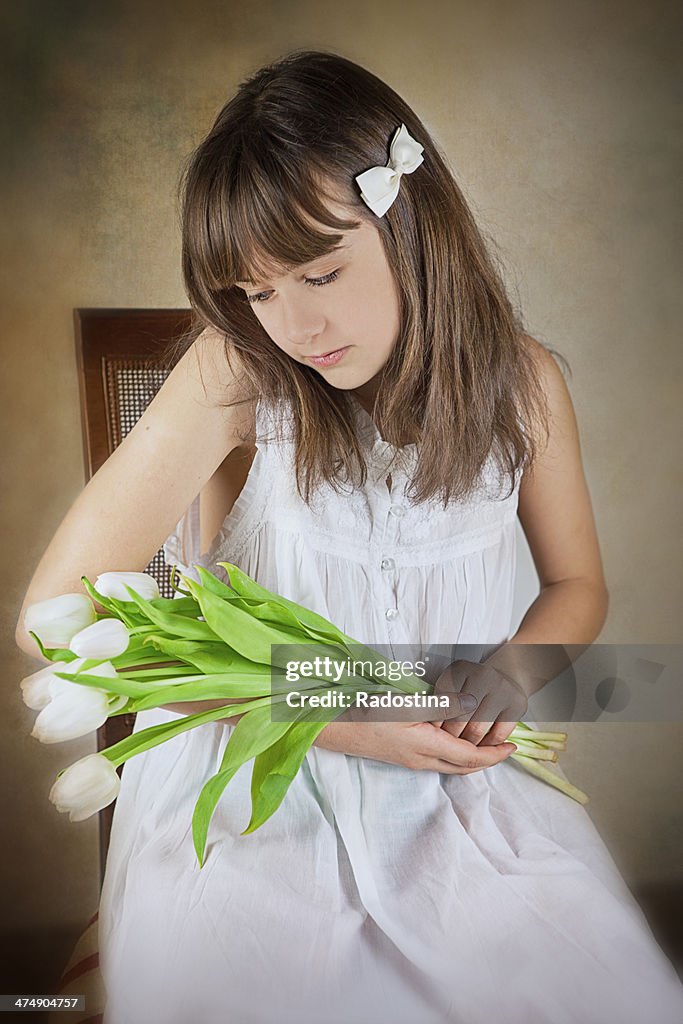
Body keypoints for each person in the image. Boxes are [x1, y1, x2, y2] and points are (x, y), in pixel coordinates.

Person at [16, 49, 683, 1024]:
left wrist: (508, 670)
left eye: (321, 271)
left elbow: (575, 586)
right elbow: (52, 619)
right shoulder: (234, 374)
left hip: (447, 788)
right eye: (255, 293)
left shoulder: (523, 384)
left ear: (408, 222)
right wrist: (334, 714)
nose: (292, 324)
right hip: (256, 791)